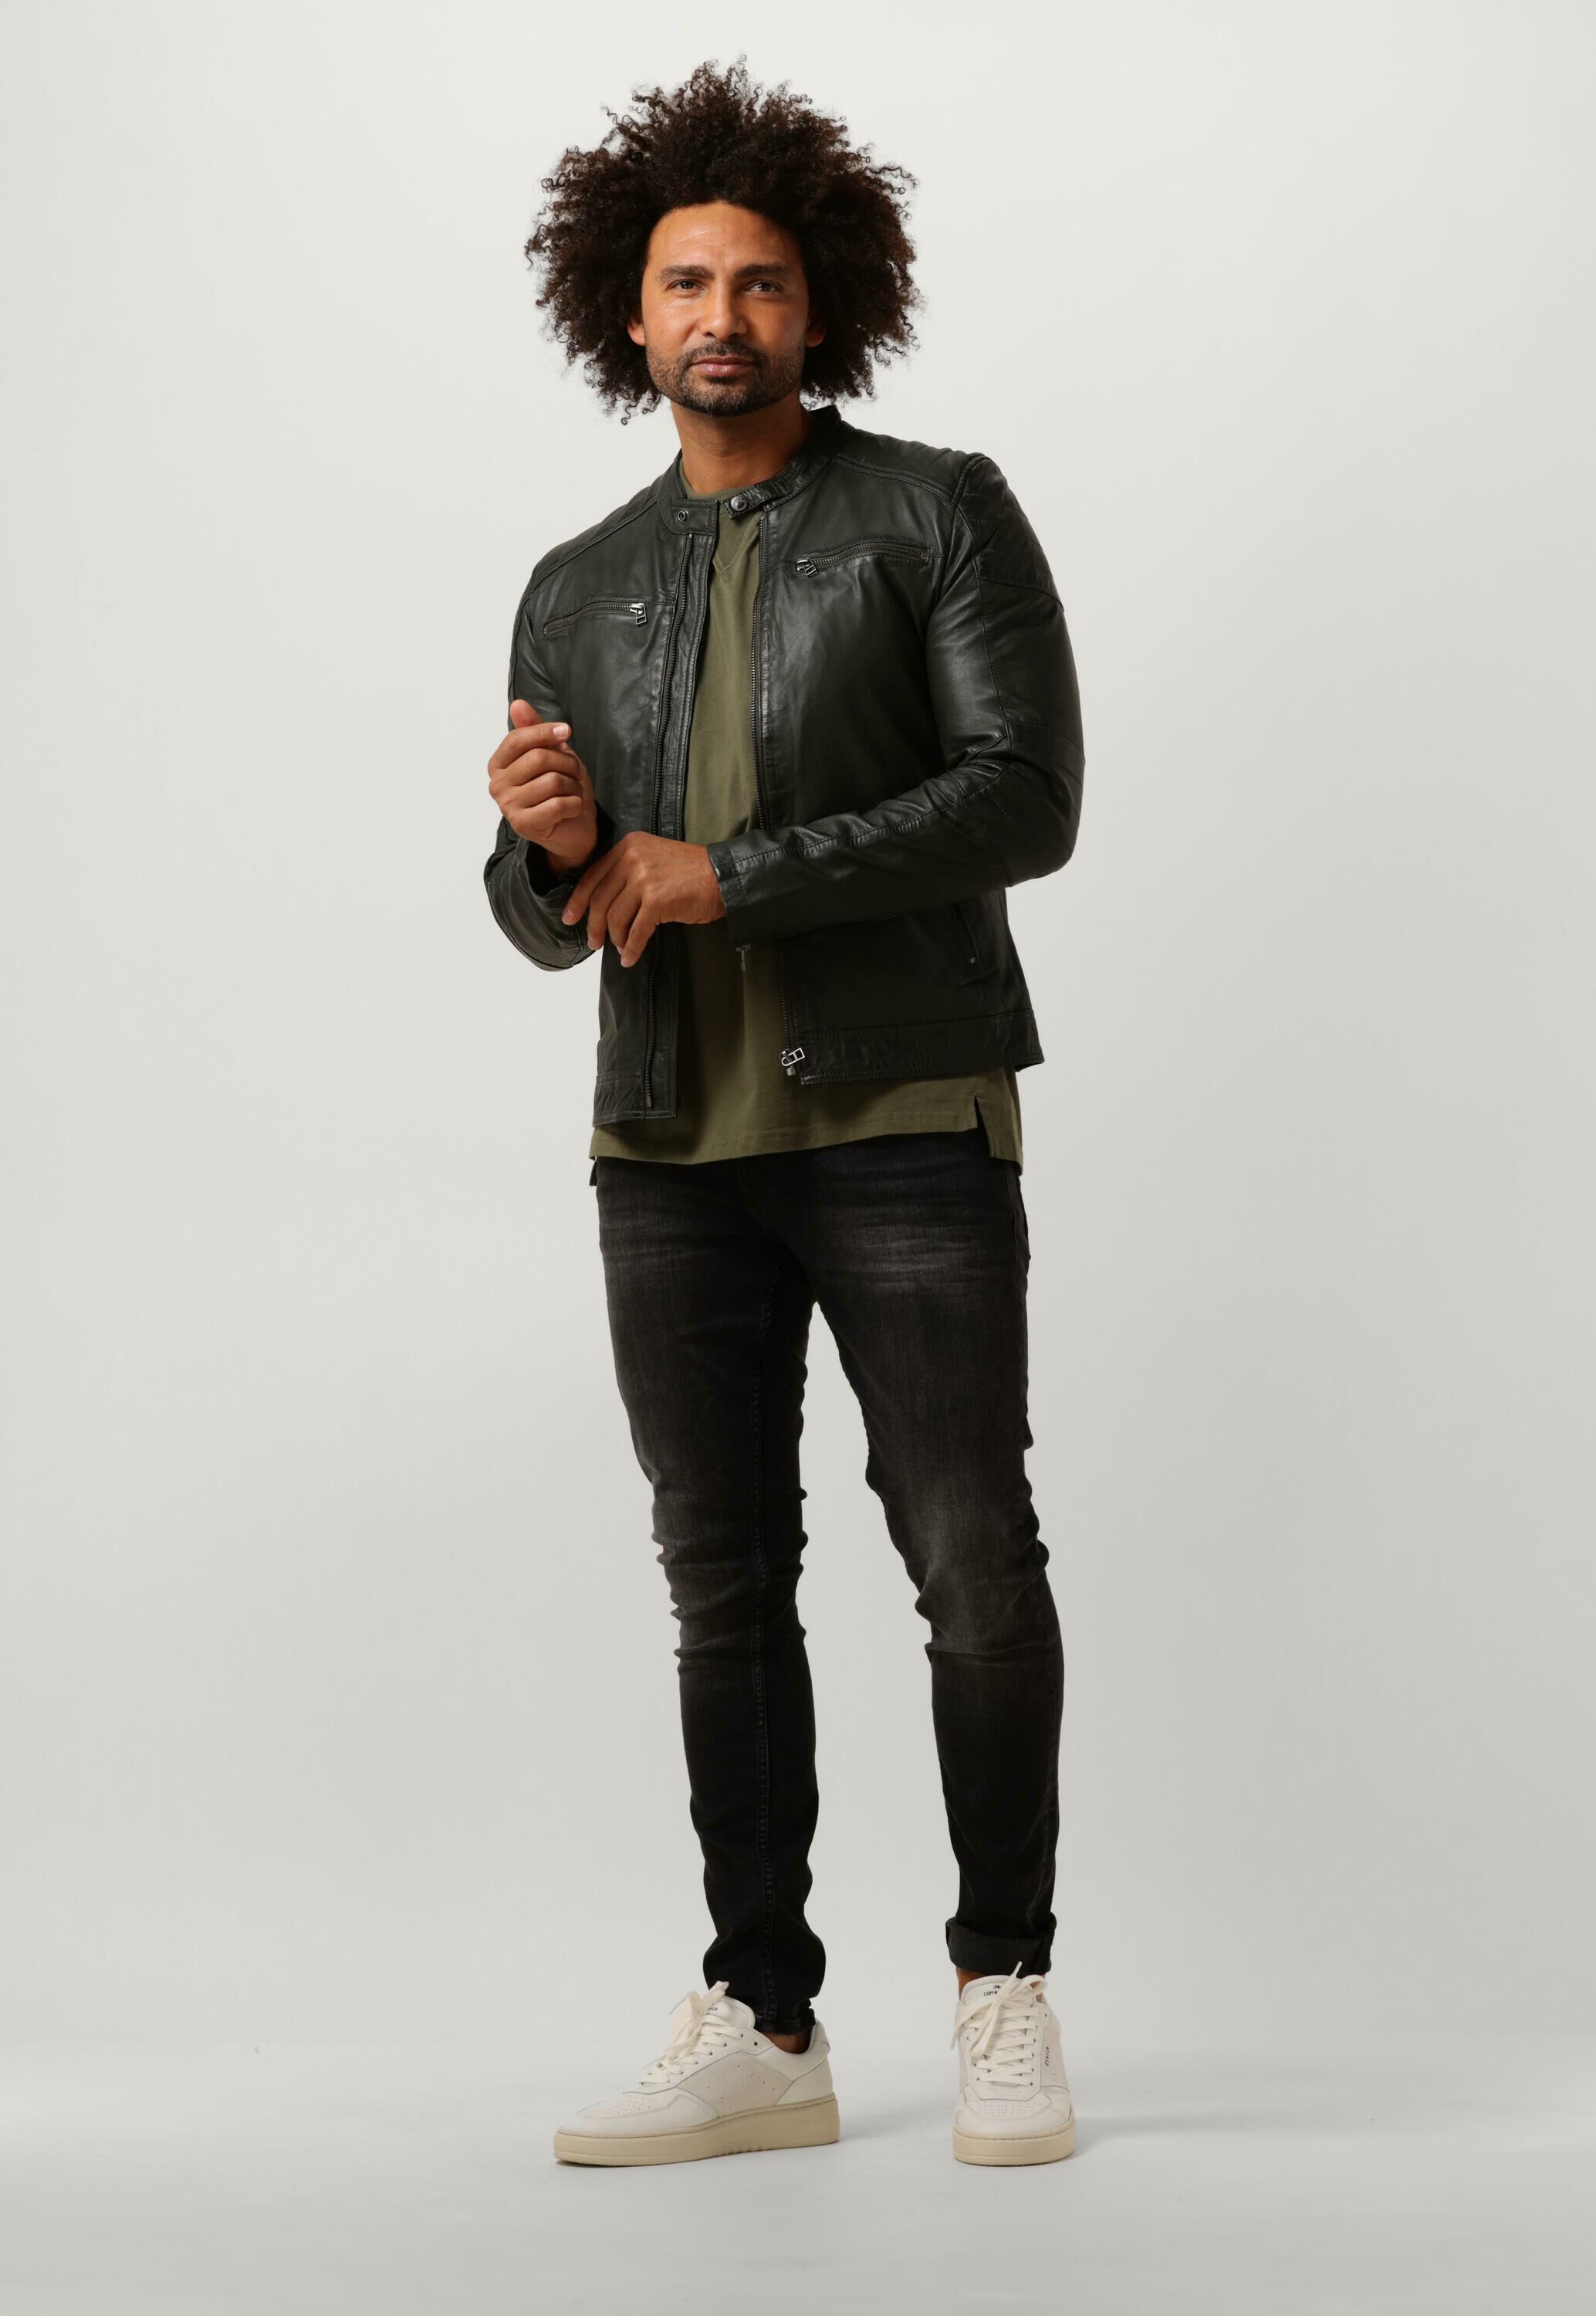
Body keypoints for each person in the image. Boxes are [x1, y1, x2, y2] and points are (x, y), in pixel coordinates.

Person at [484, 58, 1084, 2169]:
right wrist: (553, 850)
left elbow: (1026, 799)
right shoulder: (576, 579)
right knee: (722, 1586)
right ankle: (764, 2018)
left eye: (755, 281)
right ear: (626, 312)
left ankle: (1003, 1986)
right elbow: (545, 918)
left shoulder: (936, 511)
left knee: (969, 1558)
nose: (719, 316)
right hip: (667, 1147)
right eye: (684, 283)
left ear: (818, 304)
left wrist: (727, 874)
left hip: (903, 1115)